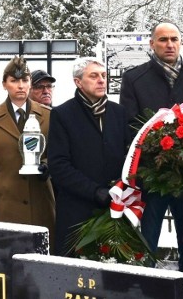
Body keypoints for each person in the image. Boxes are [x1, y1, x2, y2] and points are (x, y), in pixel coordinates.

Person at [119, 21, 183, 299]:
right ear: (152, 44)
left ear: (181, 42)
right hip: (152, 176)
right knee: (147, 246)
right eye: (163, 39)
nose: (169, 44)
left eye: (174, 39)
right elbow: (130, 125)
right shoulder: (134, 78)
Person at [48, 58, 131, 256]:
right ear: (78, 82)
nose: (101, 80)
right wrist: (95, 191)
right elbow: (59, 165)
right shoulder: (63, 114)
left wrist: (121, 187)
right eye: (93, 76)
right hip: (76, 211)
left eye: (103, 76)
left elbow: (128, 156)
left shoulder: (118, 113)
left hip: (114, 209)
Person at [0, 56, 55, 245]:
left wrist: (46, 167)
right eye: (14, 80)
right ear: (4, 84)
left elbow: (57, 155)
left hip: (40, 203)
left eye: (24, 80)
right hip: (5, 206)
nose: (20, 86)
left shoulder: (49, 116)